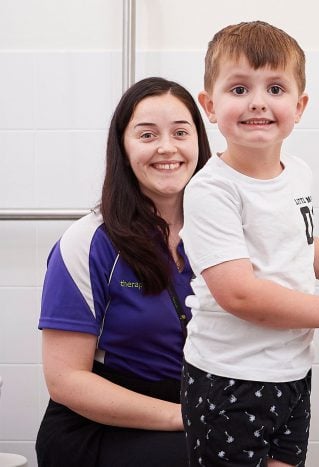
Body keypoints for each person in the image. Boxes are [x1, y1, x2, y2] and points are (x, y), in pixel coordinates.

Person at [179, 21, 319, 467]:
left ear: (299, 106)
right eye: (240, 88)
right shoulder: (212, 190)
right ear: (210, 104)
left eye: (276, 89)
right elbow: (238, 293)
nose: (258, 102)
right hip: (230, 378)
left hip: (291, 372)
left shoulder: (297, 173)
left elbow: (296, 239)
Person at [35, 77, 211, 467]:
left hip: (193, 412)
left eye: (181, 132)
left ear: (199, 142)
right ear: (123, 147)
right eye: (147, 134)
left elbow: (289, 238)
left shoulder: (222, 232)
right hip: (98, 429)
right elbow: (65, 380)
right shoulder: (85, 243)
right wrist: (182, 417)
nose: (167, 147)